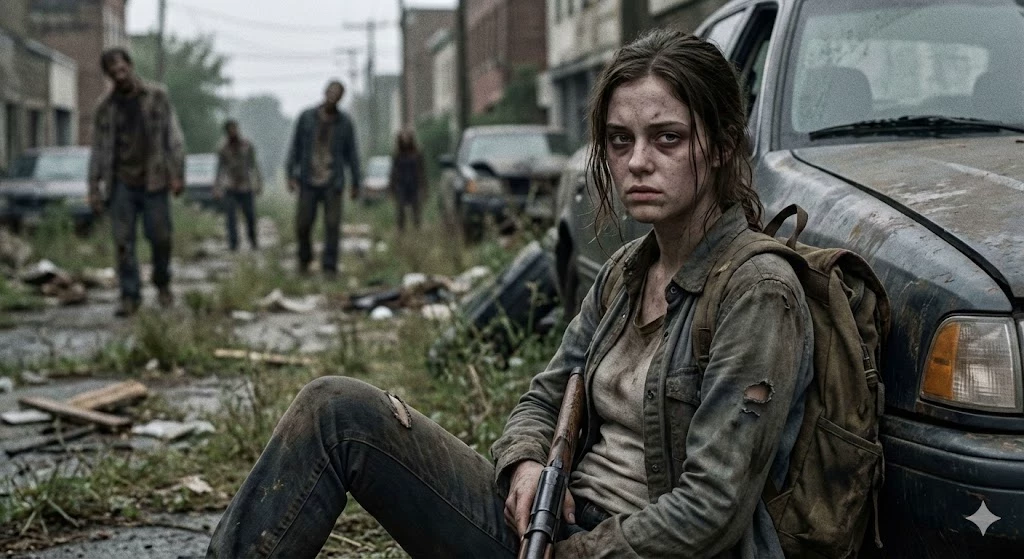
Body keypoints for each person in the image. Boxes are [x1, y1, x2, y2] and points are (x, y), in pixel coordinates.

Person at [208, 29, 813, 559]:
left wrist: (575, 552)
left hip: (627, 548)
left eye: (667, 139)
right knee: (337, 411)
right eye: (619, 140)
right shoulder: (626, 272)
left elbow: (711, 509)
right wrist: (525, 461)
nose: (637, 162)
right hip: (547, 531)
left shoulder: (756, 292)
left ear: (722, 145)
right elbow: (544, 397)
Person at [88, 47, 186, 317]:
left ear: (130, 66)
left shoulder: (157, 97)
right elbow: (98, 150)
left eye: (122, 68)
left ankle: (162, 283)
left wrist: (177, 174)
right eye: (113, 72)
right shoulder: (105, 108)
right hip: (121, 181)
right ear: (108, 75)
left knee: (161, 237)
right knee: (123, 242)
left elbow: (173, 137)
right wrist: (93, 187)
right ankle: (129, 295)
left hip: (155, 178)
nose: (119, 75)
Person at [285, 80, 361, 277]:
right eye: (331, 92)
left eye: (338, 94)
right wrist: (290, 174)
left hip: (332, 181)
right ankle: (305, 260)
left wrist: (356, 182)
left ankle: (329, 267)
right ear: (325, 92)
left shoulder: (345, 123)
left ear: (341, 98)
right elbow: (295, 147)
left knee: (333, 225)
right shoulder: (306, 118)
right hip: (308, 179)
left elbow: (352, 154)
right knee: (303, 224)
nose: (333, 96)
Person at [214, 119, 263, 252]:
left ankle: (253, 240)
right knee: (230, 217)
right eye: (230, 129)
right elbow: (219, 169)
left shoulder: (247, 145)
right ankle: (233, 244)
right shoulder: (222, 148)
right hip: (230, 186)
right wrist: (217, 187)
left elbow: (254, 165)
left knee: (250, 215)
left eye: (234, 129)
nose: (233, 132)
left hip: (246, 185)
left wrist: (258, 182)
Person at [389, 129, 427, 232]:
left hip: (414, 184)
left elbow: (422, 171)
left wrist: (424, 188)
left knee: (416, 208)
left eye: (407, 137)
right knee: (400, 207)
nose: (405, 139)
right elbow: (393, 172)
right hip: (401, 184)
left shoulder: (417, 153)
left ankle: (418, 228)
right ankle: (400, 229)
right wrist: (391, 188)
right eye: (403, 137)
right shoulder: (397, 154)